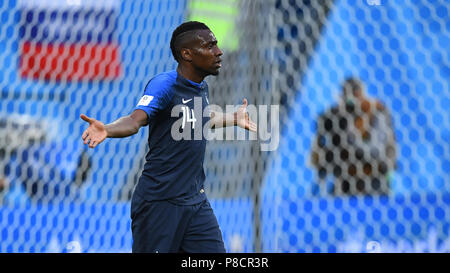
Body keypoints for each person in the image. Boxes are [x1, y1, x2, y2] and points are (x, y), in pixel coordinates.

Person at [80, 21, 257, 253]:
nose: (219, 51)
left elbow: (197, 117)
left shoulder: (200, 87)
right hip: (159, 205)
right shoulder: (164, 85)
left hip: (195, 202)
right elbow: (135, 121)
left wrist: (232, 117)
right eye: (210, 46)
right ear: (187, 54)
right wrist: (107, 129)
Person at [310, 77, 396, 196]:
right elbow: (316, 158)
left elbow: (376, 151)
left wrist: (350, 135)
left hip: (375, 178)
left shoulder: (377, 113)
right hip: (346, 179)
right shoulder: (337, 117)